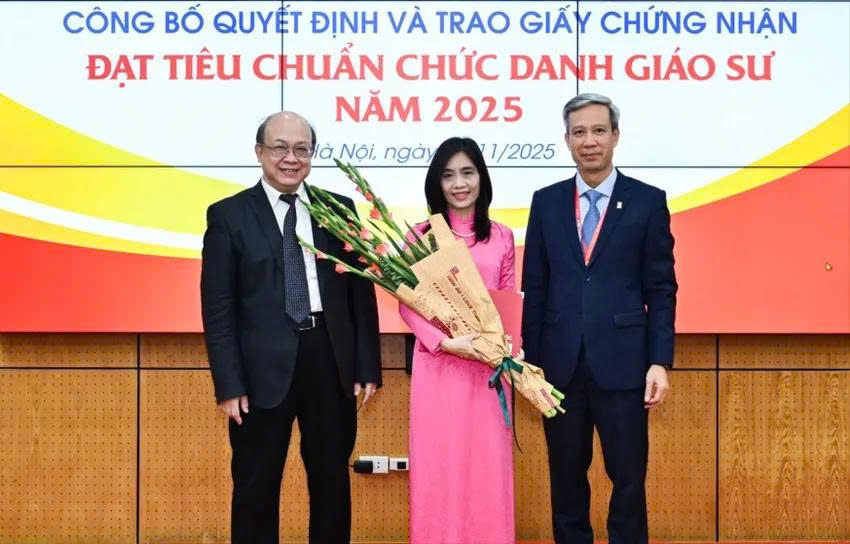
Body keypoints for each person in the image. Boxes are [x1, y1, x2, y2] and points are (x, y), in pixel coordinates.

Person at [201, 111, 381, 544]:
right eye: (279, 147)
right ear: (259, 151)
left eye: (302, 149)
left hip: (329, 359)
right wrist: (229, 384)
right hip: (259, 371)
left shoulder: (338, 210)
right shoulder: (228, 215)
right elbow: (218, 308)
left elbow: (360, 292)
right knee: (255, 487)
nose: (291, 158)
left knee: (331, 483)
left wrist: (366, 366)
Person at [522, 94, 678, 543]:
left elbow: (661, 288)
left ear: (615, 136)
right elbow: (535, 288)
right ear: (567, 140)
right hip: (559, 369)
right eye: (579, 132)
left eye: (598, 131)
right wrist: (532, 365)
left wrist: (659, 361)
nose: (589, 141)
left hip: (625, 366)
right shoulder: (546, 202)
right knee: (566, 481)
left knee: (628, 482)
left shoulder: (647, 202)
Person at [399, 137, 517, 544]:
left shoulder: (501, 236)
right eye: (448, 175)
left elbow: (507, 299)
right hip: (438, 367)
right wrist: (447, 343)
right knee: (438, 466)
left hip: (488, 371)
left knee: (488, 468)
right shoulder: (422, 236)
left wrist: (508, 345)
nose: (459, 184)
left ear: (482, 177)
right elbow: (408, 304)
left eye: (468, 173)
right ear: (437, 183)